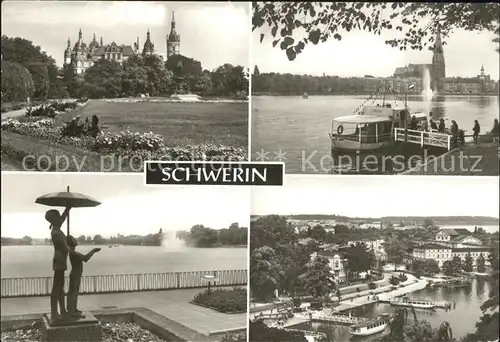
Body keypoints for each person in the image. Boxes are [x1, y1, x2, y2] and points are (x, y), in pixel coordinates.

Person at [45, 208, 72, 320]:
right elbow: (66, 248)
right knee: (57, 287)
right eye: (58, 215)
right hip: (60, 260)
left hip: (59, 260)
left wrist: (67, 208)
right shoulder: (56, 232)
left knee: (60, 287)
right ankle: (55, 313)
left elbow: (62, 219)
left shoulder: (56, 228)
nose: (61, 216)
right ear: (55, 219)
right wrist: (72, 245)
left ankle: (62, 310)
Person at [66, 236, 101, 318]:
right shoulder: (74, 253)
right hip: (75, 274)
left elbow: (84, 258)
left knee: (73, 292)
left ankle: (72, 309)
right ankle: (72, 311)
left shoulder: (73, 253)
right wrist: (93, 251)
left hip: (75, 274)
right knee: (74, 292)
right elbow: (85, 258)